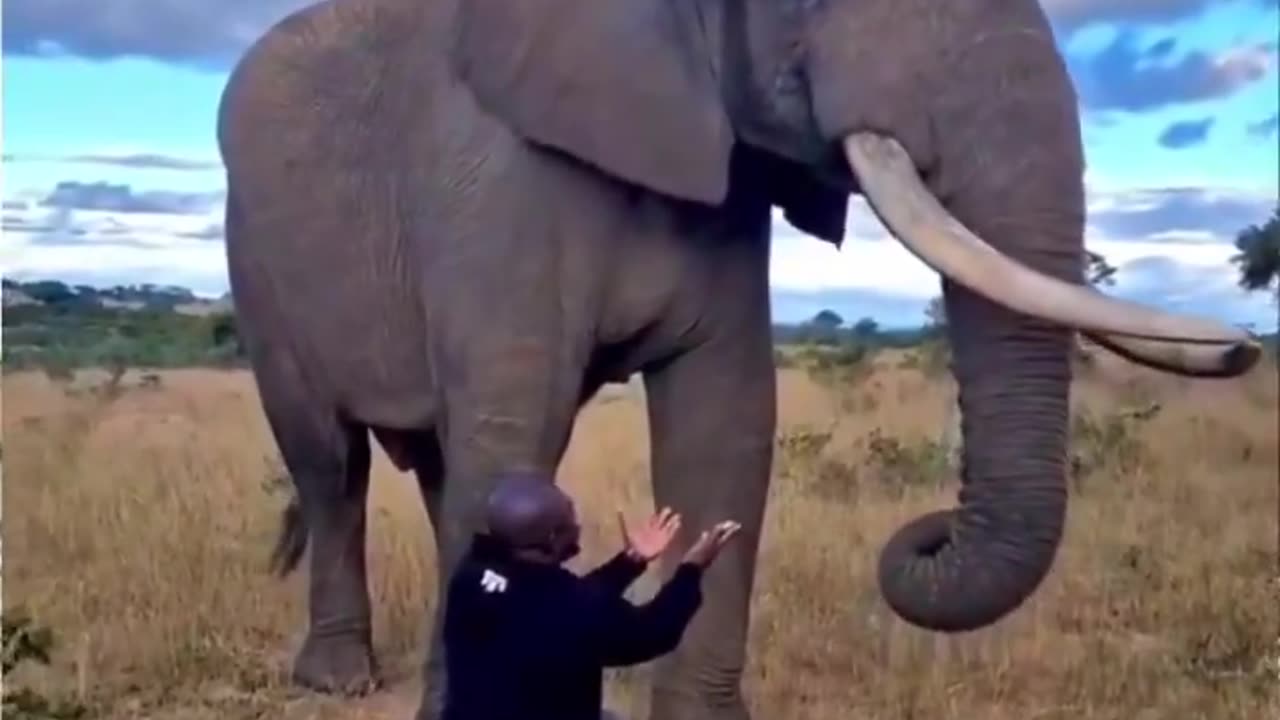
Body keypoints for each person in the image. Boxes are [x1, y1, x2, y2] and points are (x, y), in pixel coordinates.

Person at [440, 472, 741, 720]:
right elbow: (654, 631)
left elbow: (561, 607)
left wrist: (630, 562)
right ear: (552, 539)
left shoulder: (470, 576)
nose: (578, 526)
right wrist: (692, 569)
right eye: (570, 521)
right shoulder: (571, 607)